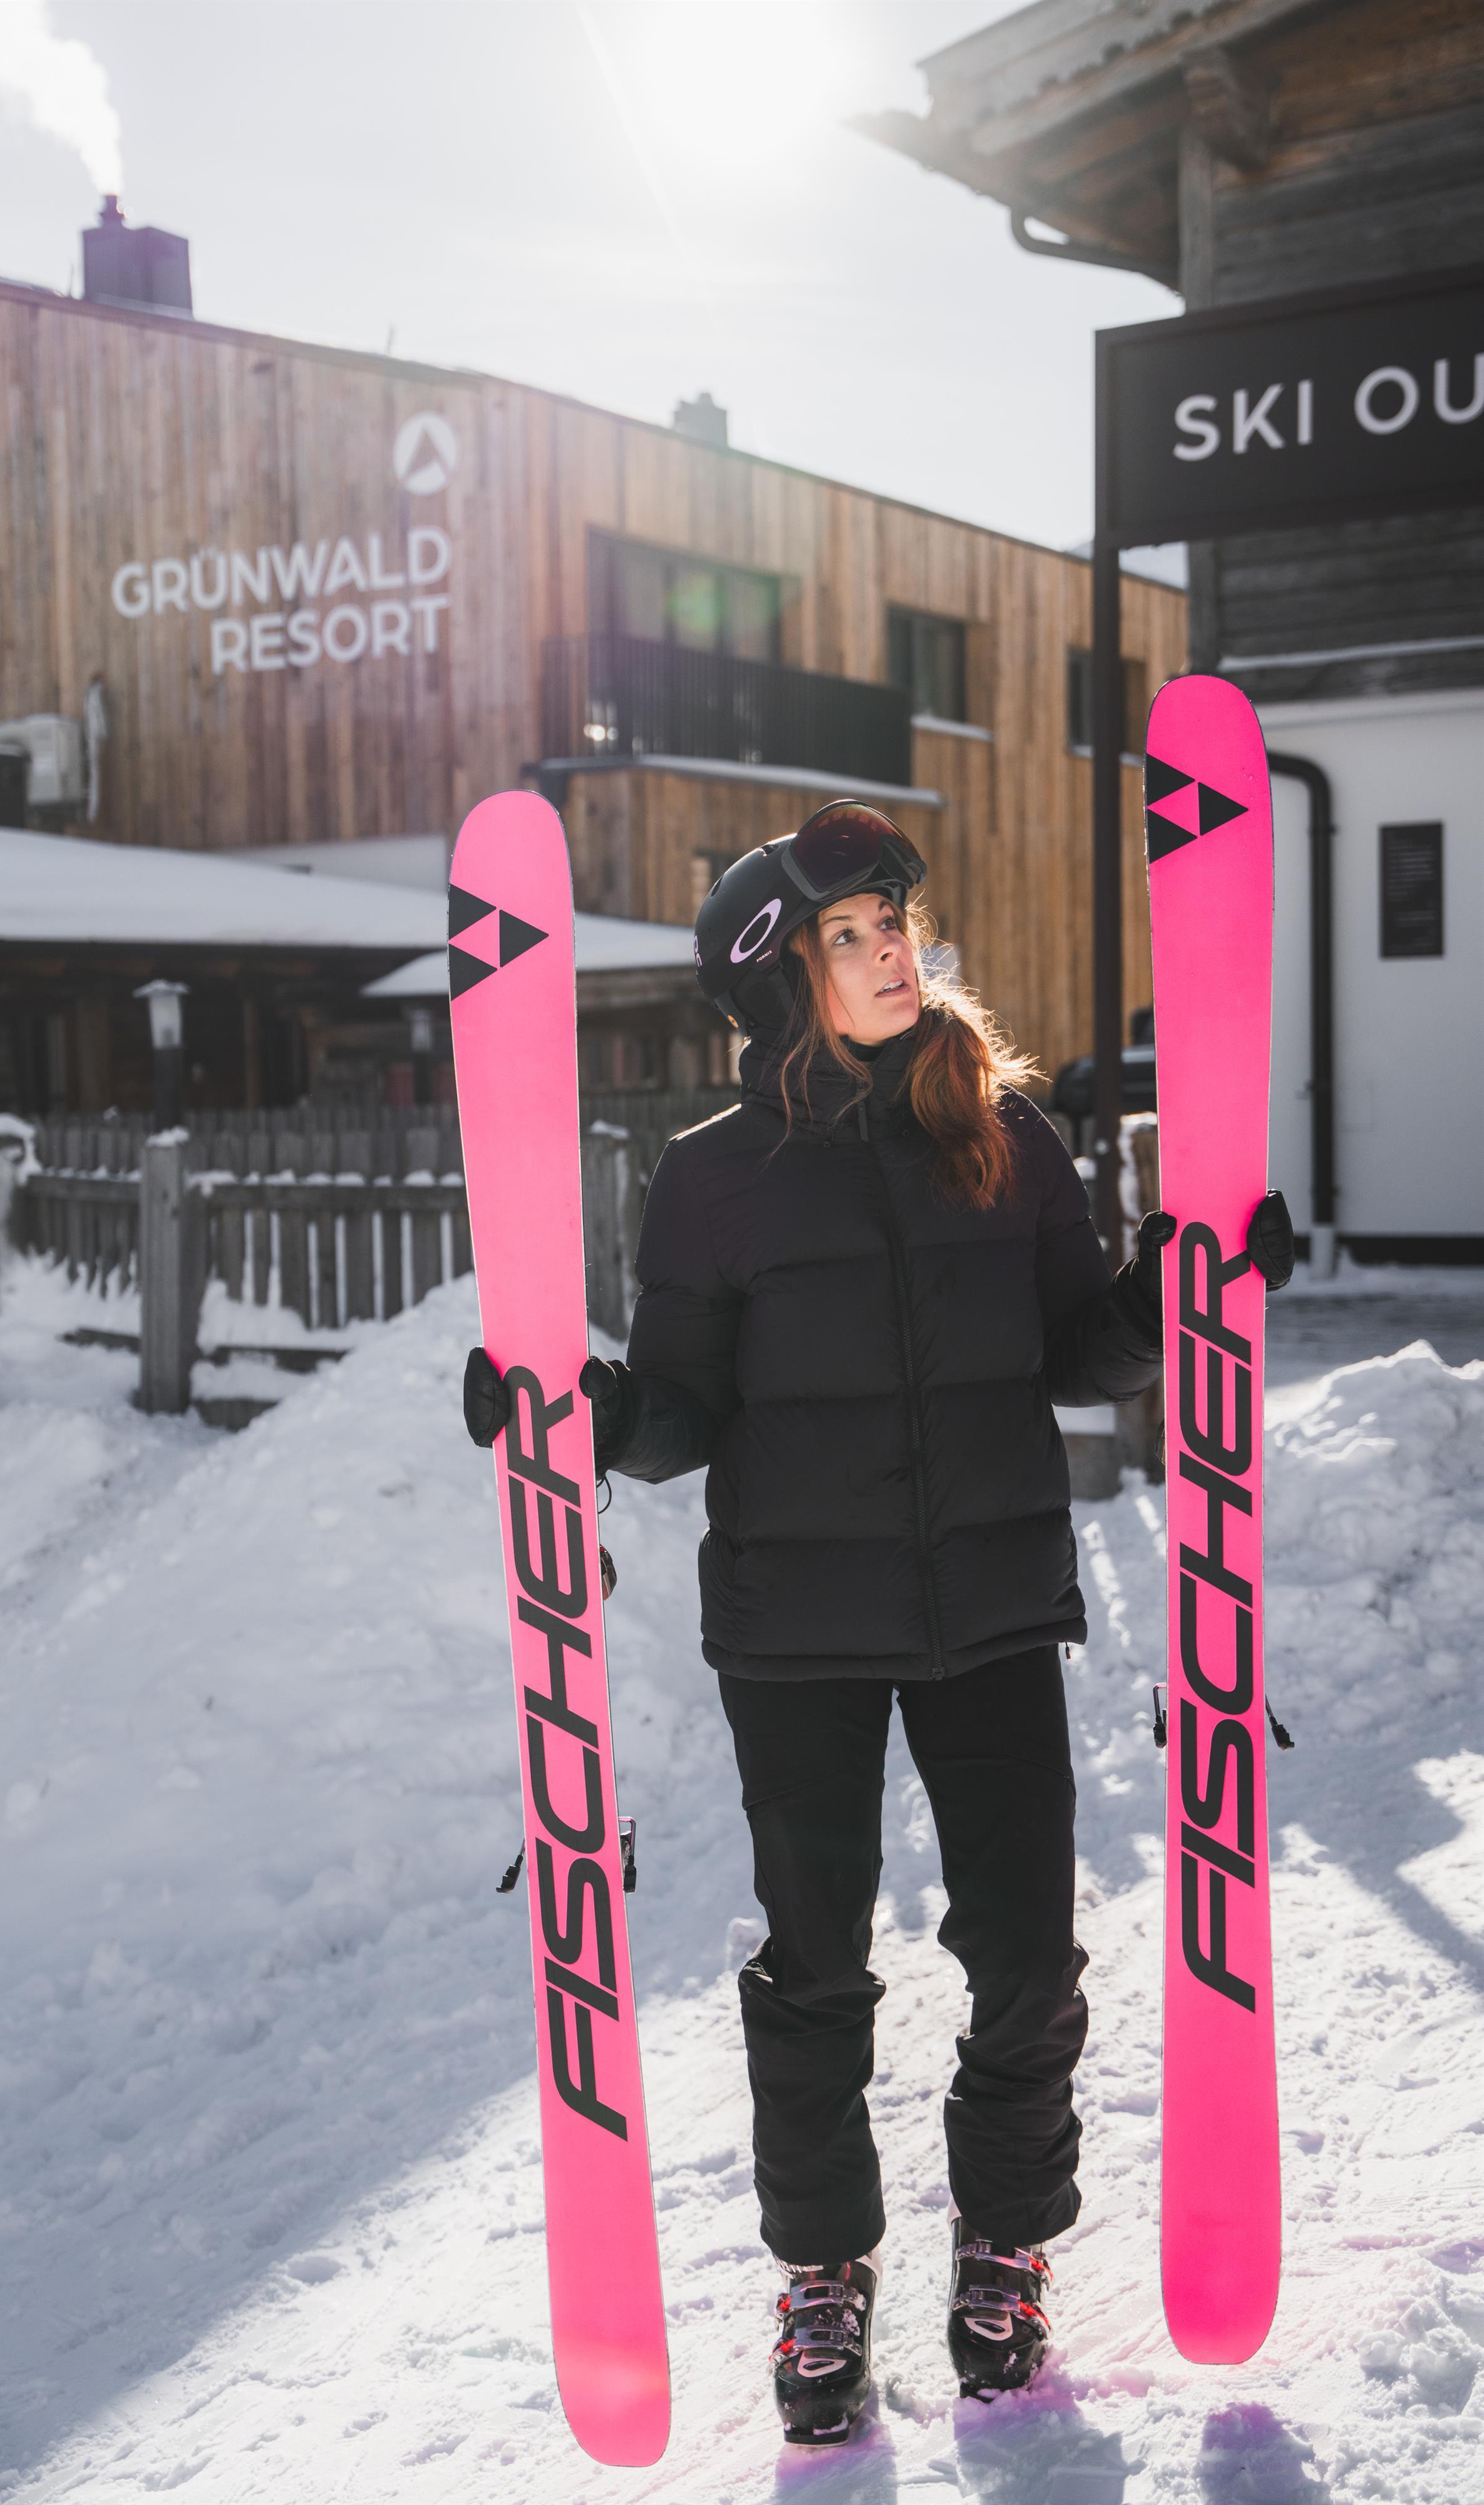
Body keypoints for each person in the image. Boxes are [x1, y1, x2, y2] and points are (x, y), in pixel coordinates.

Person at [465, 801, 1292, 2441]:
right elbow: (683, 1412)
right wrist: (581, 1416)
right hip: (797, 1632)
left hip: (991, 1608)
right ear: (786, 983)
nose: (888, 951)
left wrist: (1188, 1295)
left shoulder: (1008, 1135)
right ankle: (822, 2275)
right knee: (815, 1969)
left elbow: (1075, 1350)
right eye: (845, 936)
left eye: (890, 921)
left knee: (1024, 1956)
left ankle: (1003, 2247)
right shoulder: (711, 1181)